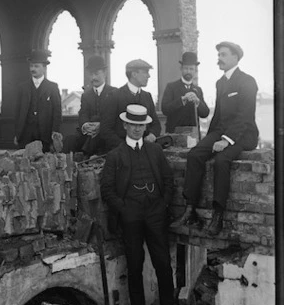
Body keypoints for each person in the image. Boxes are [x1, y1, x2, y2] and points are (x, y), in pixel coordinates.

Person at [172, 42, 258, 236]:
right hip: (220, 131)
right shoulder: (220, 83)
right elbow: (218, 115)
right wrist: (209, 140)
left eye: (224, 55)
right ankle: (190, 209)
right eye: (219, 54)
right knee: (195, 155)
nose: (219, 58)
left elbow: (244, 116)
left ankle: (218, 215)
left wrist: (226, 140)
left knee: (221, 161)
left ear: (236, 57)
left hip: (243, 134)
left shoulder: (247, 81)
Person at [100, 104, 175, 305]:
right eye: (132, 125)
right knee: (134, 264)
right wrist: (124, 210)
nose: (136, 129)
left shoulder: (155, 150)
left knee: (162, 262)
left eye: (140, 125)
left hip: (155, 213)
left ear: (145, 126)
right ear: (125, 125)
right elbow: (107, 189)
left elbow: (168, 181)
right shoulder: (115, 155)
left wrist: (163, 205)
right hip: (130, 216)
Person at [100, 58, 161, 151]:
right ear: (134, 74)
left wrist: (152, 135)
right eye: (145, 72)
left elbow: (156, 124)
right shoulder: (115, 96)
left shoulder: (147, 96)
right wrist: (126, 147)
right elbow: (106, 130)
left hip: (145, 150)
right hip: (120, 152)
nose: (148, 76)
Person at [63, 55, 117, 156]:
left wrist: (101, 126)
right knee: (69, 141)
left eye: (96, 74)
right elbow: (83, 114)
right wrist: (85, 125)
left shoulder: (114, 92)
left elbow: (116, 117)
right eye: (91, 74)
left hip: (107, 133)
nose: (93, 78)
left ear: (105, 73)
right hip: (88, 133)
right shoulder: (86, 95)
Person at [13, 50, 63, 152]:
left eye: (36, 66)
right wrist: (17, 133)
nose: (32, 69)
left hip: (45, 135)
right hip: (25, 134)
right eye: (31, 66)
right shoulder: (22, 87)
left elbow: (57, 112)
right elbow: (18, 112)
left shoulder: (52, 87)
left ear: (44, 68)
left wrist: (55, 132)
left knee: (44, 163)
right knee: (25, 162)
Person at [161, 52, 210, 134]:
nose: (188, 71)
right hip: (174, 133)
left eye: (191, 69)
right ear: (181, 69)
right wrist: (182, 100)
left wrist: (198, 102)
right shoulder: (171, 87)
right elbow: (165, 109)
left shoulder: (198, 90)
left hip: (193, 134)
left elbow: (205, 113)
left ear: (195, 71)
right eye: (186, 68)